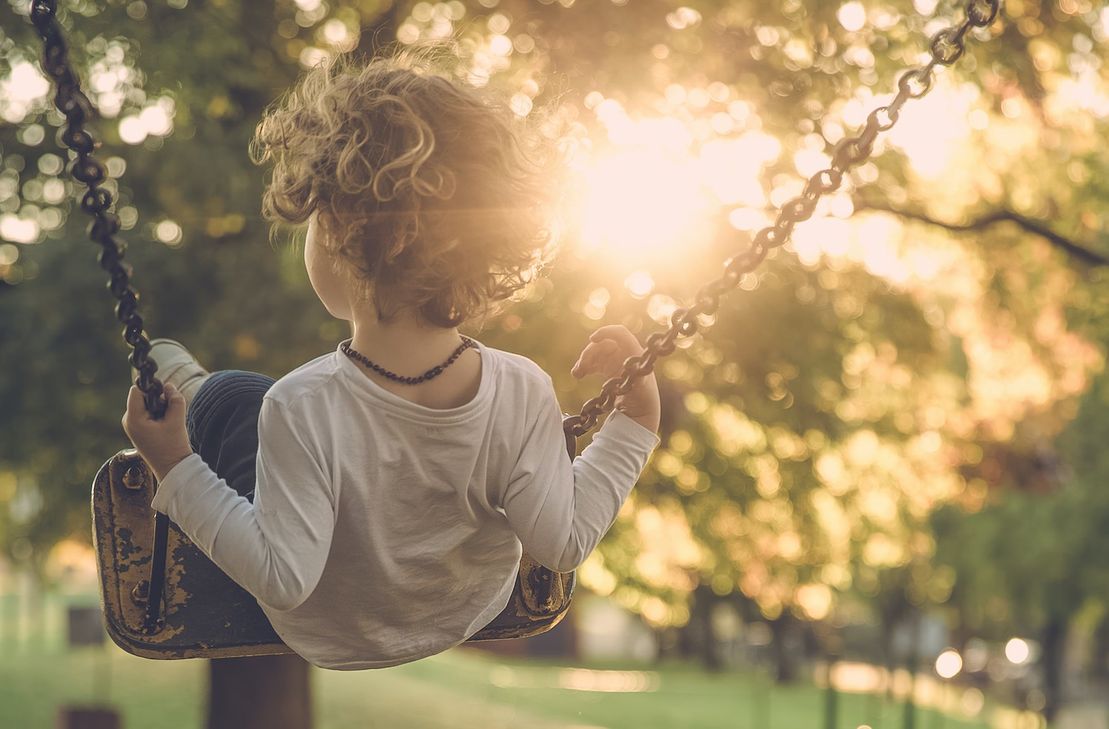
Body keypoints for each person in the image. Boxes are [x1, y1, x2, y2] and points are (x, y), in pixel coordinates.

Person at [121, 49, 661, 670]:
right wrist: (635, 424)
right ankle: (194, 386)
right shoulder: (523, 390)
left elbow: (282, 578)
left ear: (346, 231)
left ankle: (191, 390)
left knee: (232, 398)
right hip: (463, 611)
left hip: (329, 628)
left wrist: (173, 464)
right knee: (253, 405)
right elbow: (563, 542)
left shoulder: (298, 406)